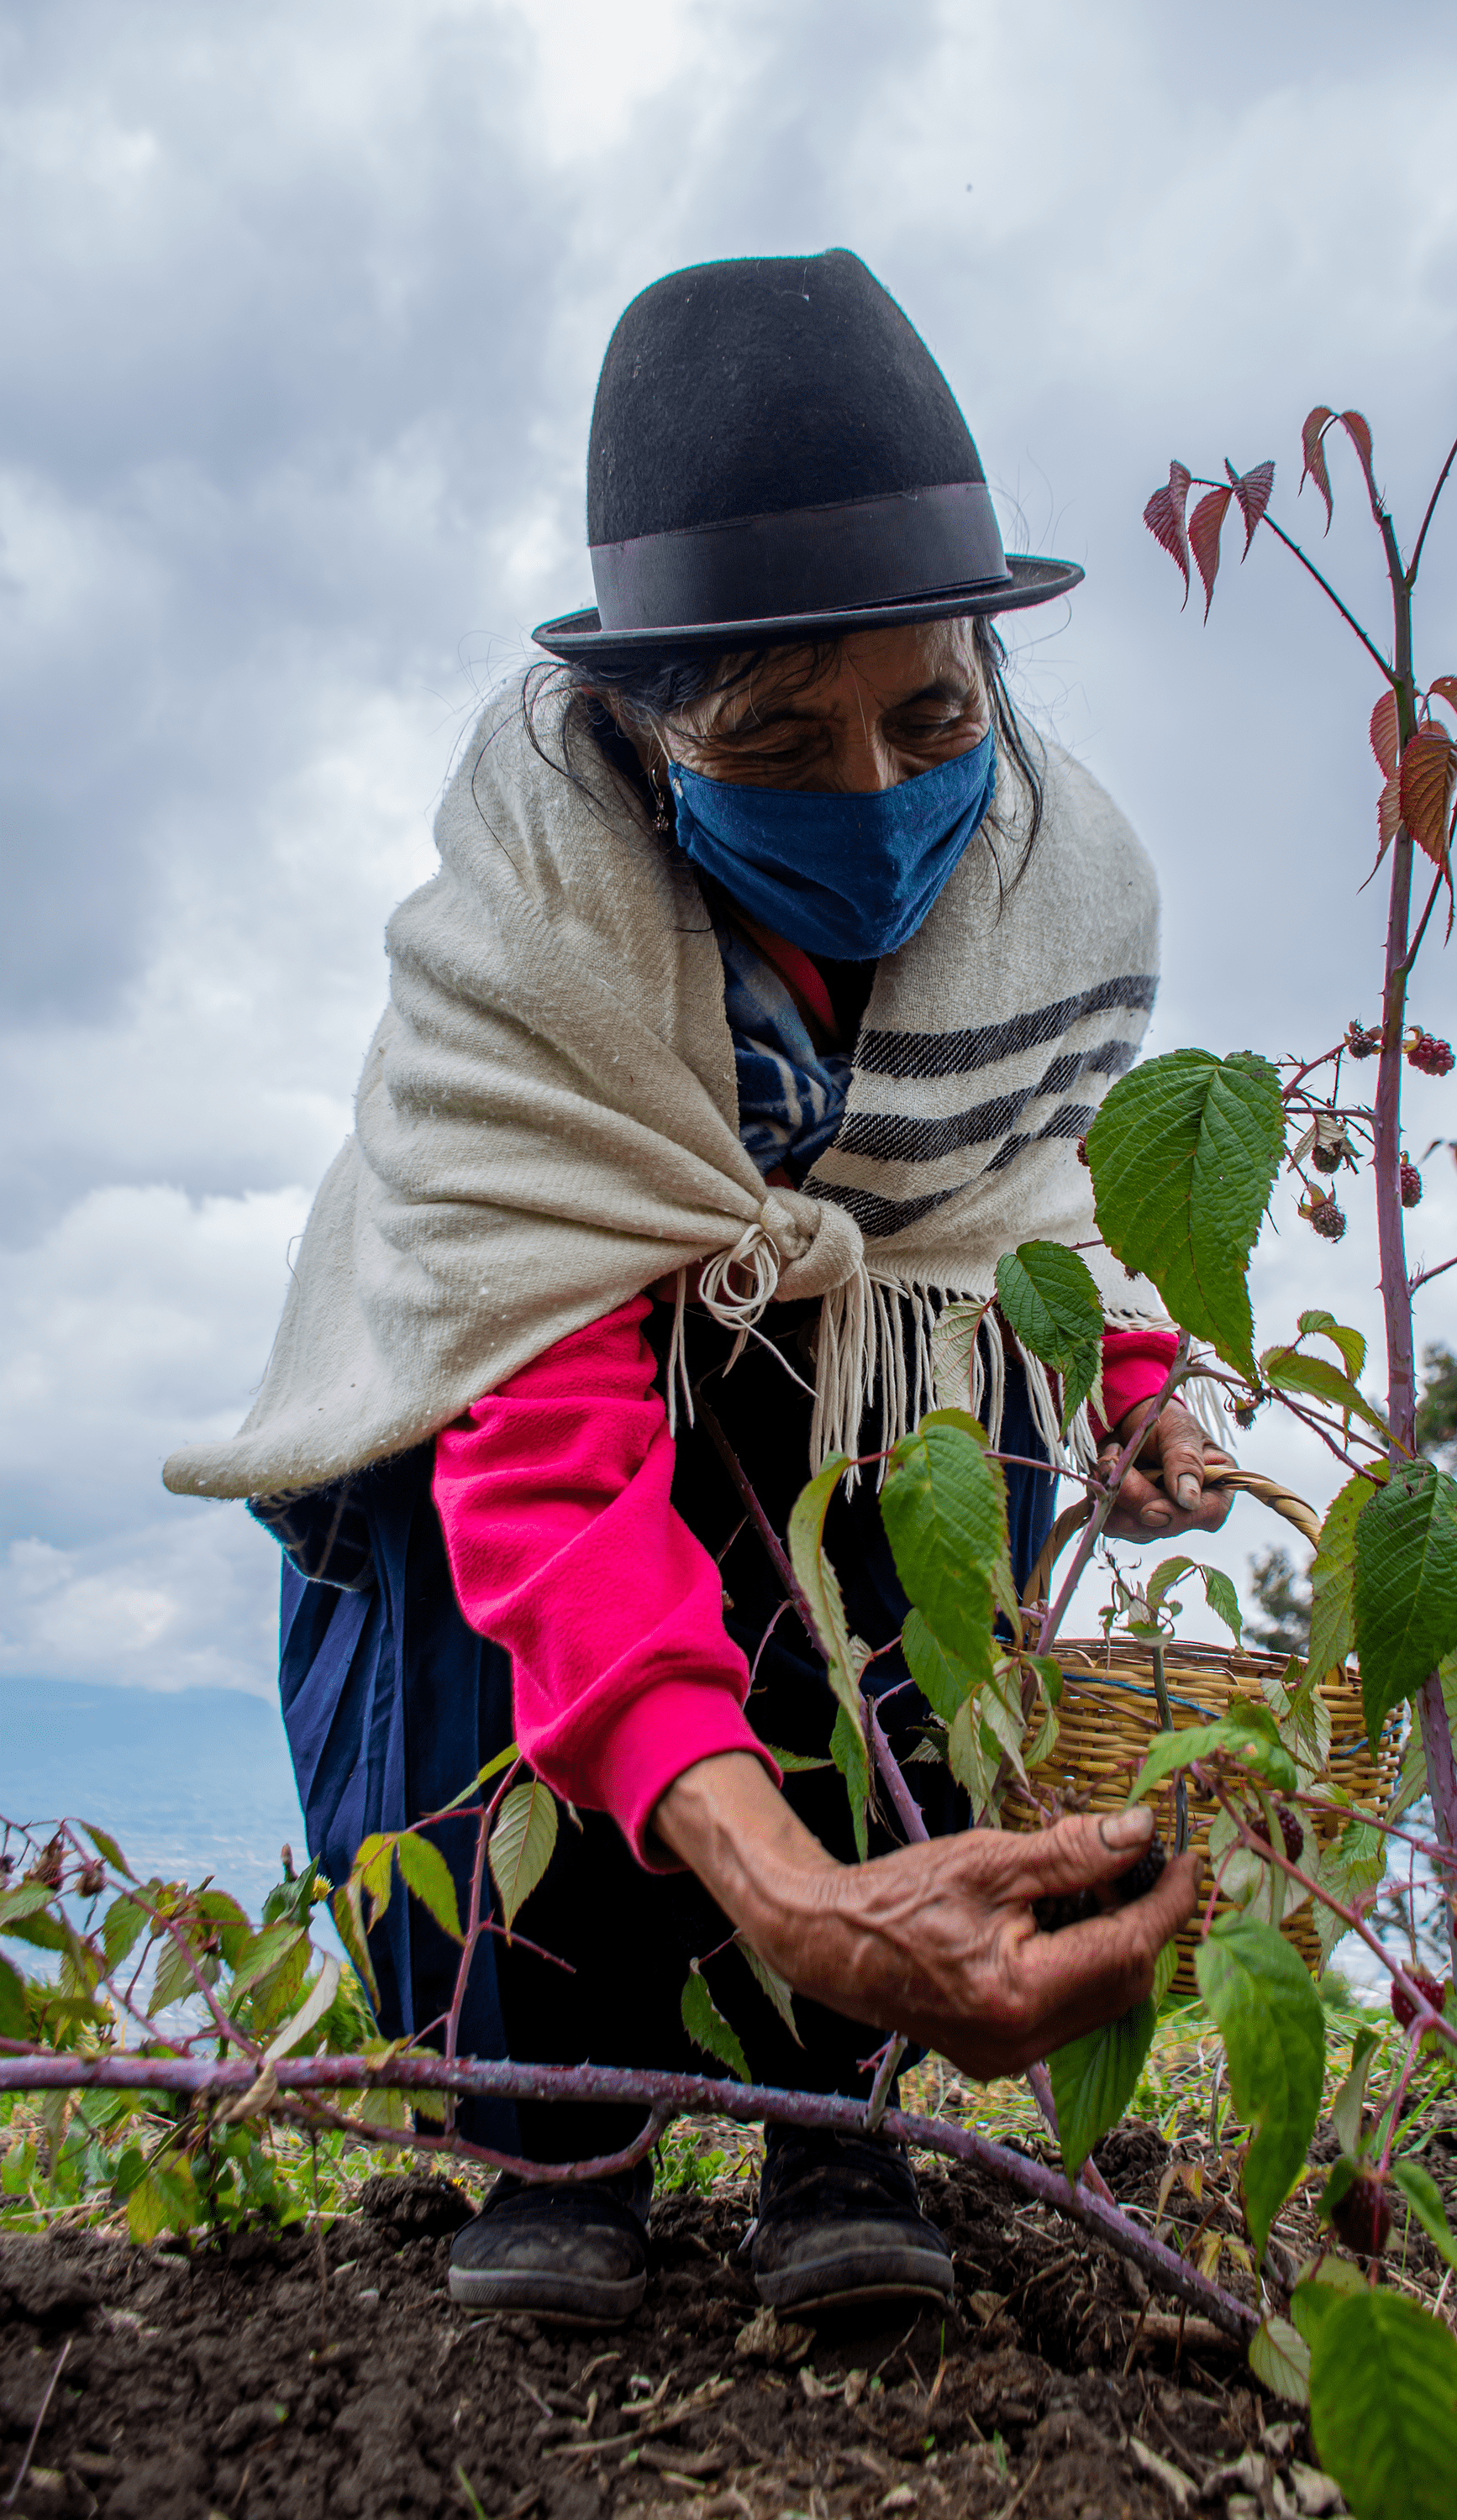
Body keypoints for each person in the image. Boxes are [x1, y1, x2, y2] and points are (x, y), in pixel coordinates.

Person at [165, 249, 1230, 2325]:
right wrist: (789, 1889)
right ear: (643, 741)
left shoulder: (1049, 881)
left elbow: (1016, 1193)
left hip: (850, 1398)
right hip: (548, 1461)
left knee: (929, 1451)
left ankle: (838, 2117)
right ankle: (558, 2132)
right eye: (776, 734)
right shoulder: (526, 963)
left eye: (928, 715)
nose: (874, 789)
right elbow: (545, 1469)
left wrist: (1124, 1373)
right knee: (505, 1647)